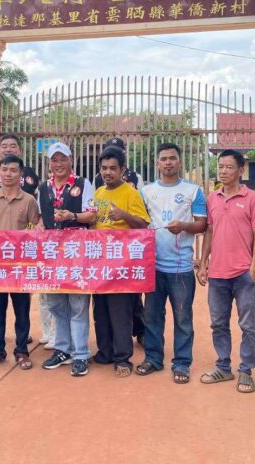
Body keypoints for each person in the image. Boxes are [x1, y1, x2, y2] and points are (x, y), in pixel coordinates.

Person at [136, 143, 207, 384]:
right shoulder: (146, 192)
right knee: (152, 317)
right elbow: (139, 223)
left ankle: (182, 363)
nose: (168, 162)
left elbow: (202, 224)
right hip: (153, 266)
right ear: (157, 163)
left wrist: (184, 226)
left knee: (183, 318)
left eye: (172, 158)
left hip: (181, 268)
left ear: (180, 162)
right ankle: (153, 358)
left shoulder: (193, 191)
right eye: (164, 158)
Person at [198, 150, 255, 393]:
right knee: (218, 323)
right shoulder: (212, 198)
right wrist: (203, 263)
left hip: (243, 273)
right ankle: (223, 366)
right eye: (220, 166)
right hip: (217, 274)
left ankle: (246, 370)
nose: (223, 171)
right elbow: (209, 231)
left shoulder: (252, 198)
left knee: (247, 325)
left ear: (240, 170)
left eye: (229, 167)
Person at [38, 142, 96, 377]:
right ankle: (62, 349)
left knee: (78, 304)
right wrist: (39, 226)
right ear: (49, 163)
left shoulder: (83, 184)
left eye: (63, 159)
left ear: (71, 161)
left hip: (76, 252)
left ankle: (80, 353)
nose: (58, 164)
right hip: (52, 253)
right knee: (55, 303)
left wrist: (73, 215)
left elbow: (92, 215)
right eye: (54, 159)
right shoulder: (43, 187)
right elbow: (40, 217)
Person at [92, 147, 151, 377]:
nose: (108, 172)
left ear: (123, 170)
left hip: (122, 265)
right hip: (100, 264)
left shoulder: (131, 193)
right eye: (104, 168)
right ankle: (105, 352)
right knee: (101, 311)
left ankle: (123, 358)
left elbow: (144, 225)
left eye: (113, 168)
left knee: (120, 312)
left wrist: (124, 215)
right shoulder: (98, 193)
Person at [0, 155, 40, 371]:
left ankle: (21, 351)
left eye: (13, 170)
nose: (8, 174)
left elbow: (35, 227)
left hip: (21, 266)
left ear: (21, 174)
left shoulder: (29, 200)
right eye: (4, 169)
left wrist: (24, 236)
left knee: (22, 310)